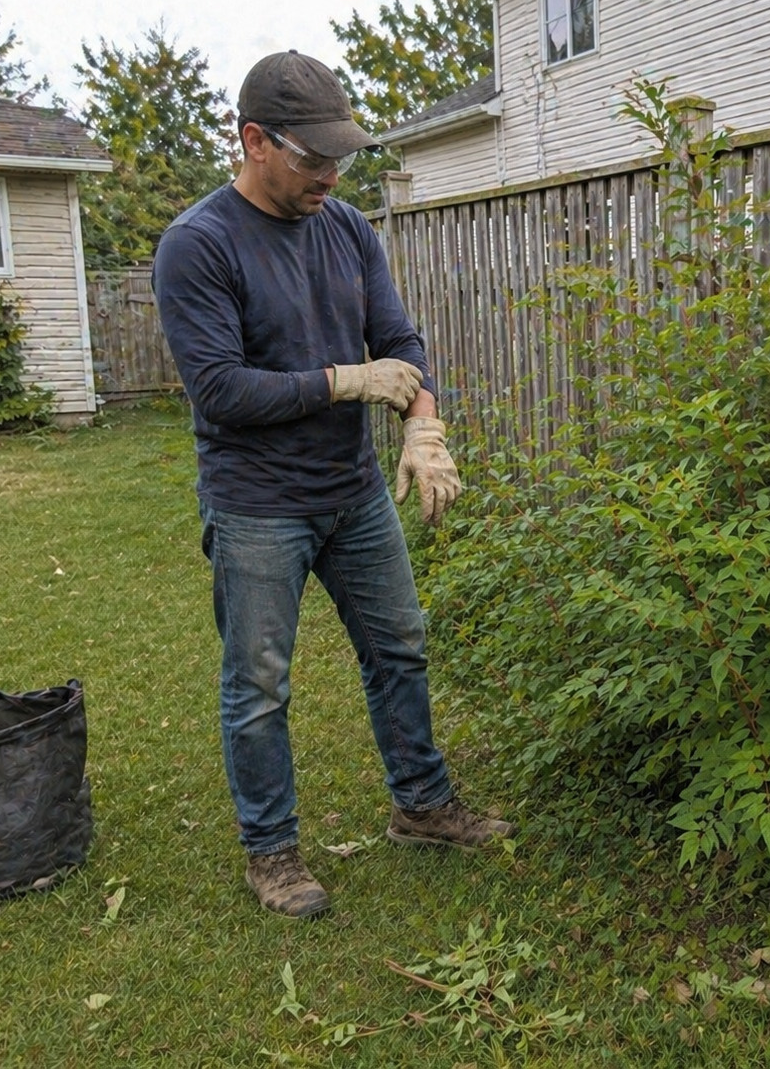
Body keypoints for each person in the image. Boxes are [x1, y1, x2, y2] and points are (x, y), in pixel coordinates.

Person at [152, 51, 515, 920]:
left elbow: (400, 337)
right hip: (256, 505)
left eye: (339, 157)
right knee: (259, 684)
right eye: (312, 158)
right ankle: (271, 852)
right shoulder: (197, 246)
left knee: (400, 647)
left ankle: (421, 805)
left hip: (352, 494)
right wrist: (346, 383)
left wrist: (422, 422)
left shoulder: (348, 228)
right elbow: (221, 391)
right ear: (253, 142)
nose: (330, 174)